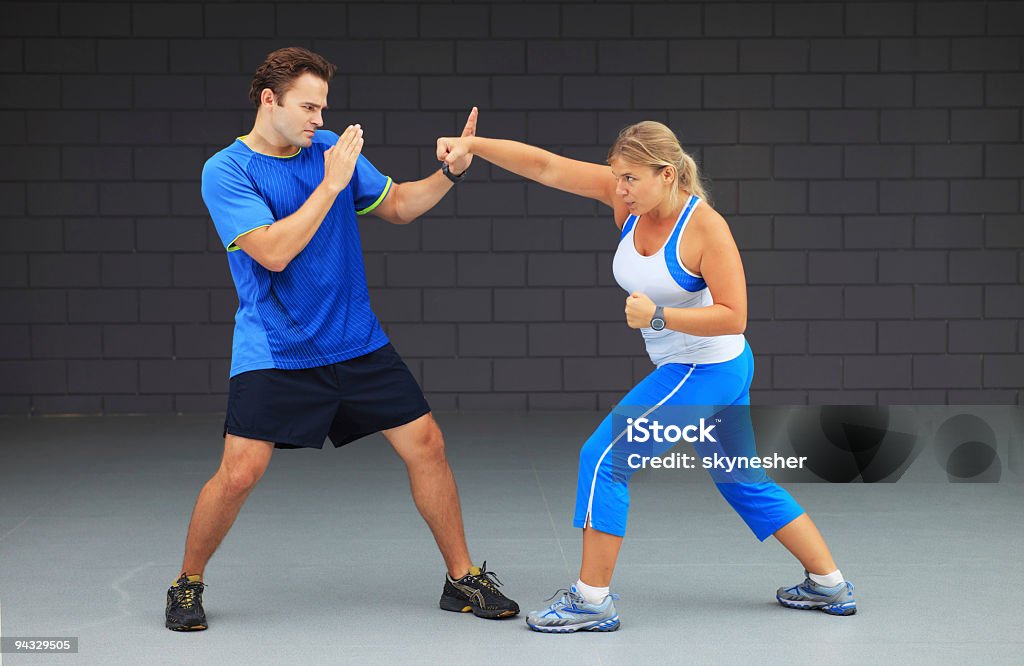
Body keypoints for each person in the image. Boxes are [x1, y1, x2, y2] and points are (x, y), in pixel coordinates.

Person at [436, 121, 856, 633]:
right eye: (616, 177)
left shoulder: (705, 228)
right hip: (711, 367)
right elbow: (547, 166)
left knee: (602, 460)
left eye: (631, 178)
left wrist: (659, 316)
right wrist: (475, 146)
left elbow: (734, 315)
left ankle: (591, 602)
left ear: (667, 173)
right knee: (741, 478)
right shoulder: (627, 203)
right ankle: (827, 583)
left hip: (704, 367)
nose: (619, 188)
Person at [164, 47, 518, 632]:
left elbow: (401, 205)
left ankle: (462, 579)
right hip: (277, 347)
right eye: (308, 107)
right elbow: (273, 252)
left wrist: (453, 170)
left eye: (324, 108)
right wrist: (329, 187)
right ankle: (187, 582)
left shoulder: (328, 150)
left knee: (426, 444)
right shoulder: (227, 170)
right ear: (268, 101)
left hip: (357, 341)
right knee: (240, 473)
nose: (319, 121)